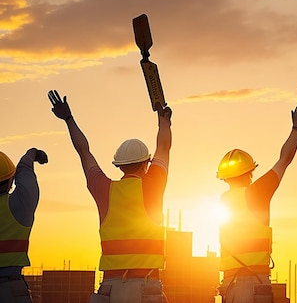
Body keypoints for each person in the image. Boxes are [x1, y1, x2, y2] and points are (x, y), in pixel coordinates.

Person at [48, 90, 172, 303]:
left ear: (119, 166)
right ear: (146, 163)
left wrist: (68, 119)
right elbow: (164, 146)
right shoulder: (153, 185)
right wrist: (163, 122)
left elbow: (84, 152)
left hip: (111, 288)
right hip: (146, 286)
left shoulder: (103, 189)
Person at [216, 84, 297, 303]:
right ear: (250, 173)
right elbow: (284, 160)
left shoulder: (224, 201)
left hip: (228, 286)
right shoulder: (256, 193)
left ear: (224, 177)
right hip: (253, 284)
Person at [0, 148, 47, 303]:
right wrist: (31, 154)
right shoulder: (19, 204)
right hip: (10, 288)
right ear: (10, 180)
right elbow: (25, 172)